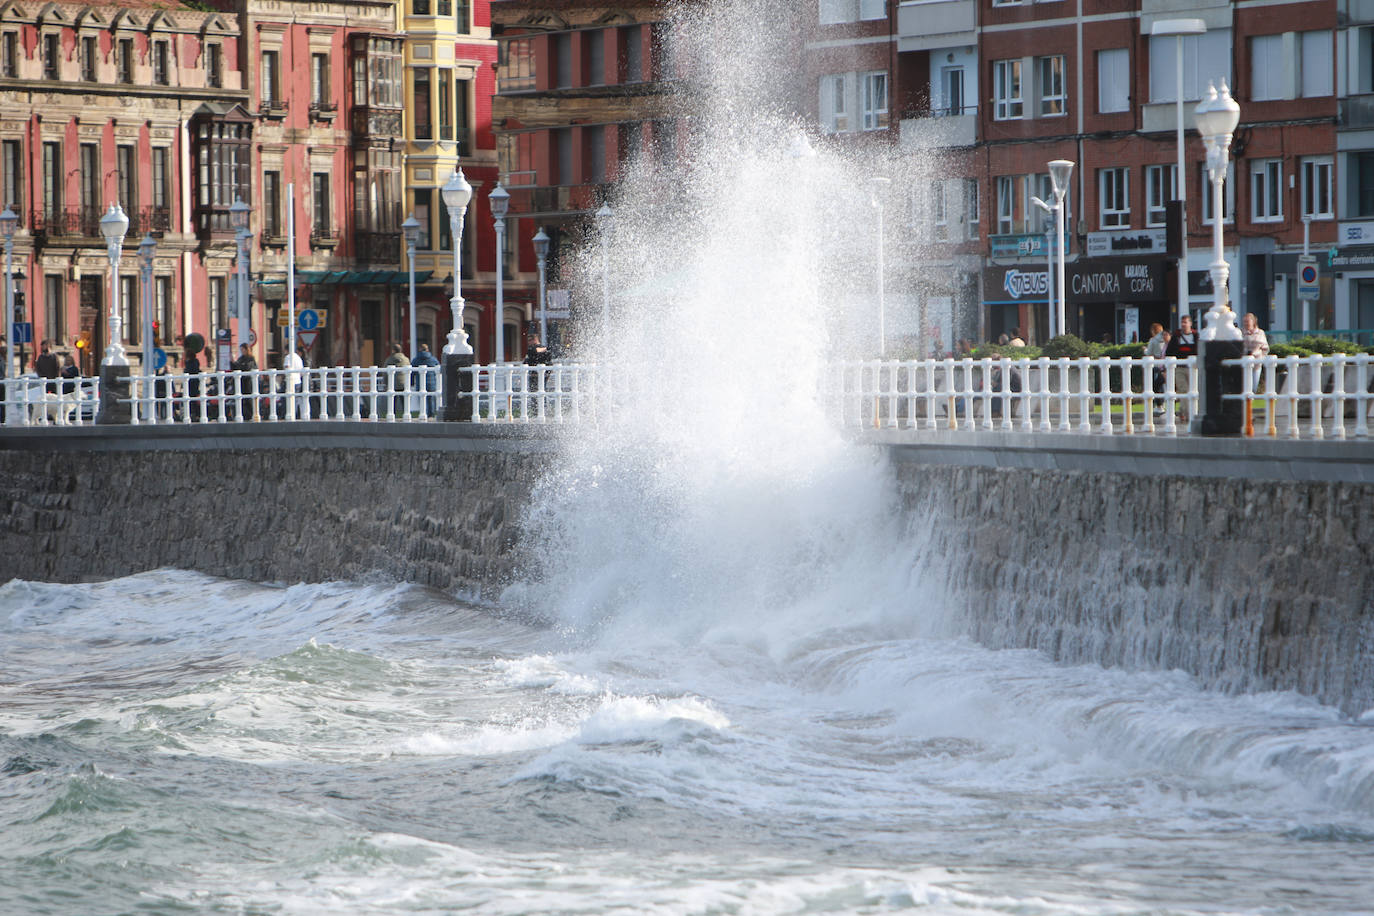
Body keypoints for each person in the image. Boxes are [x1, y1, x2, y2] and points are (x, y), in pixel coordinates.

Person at [1241, 311, 1269, 393]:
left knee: (1254, 385)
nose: (1245, 324)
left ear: (1253, 322)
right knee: (1246, 386)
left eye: (1247, 321)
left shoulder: (1260, 333)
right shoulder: (1241, 333)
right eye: (1244, 322)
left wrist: (1261, 357)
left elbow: (1265, 348)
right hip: (1244, 363)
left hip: (1257, 362)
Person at [411, 342, 439, 418]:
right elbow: (438, 368)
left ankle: (423, 413)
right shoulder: (433, 359)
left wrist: (411, 382)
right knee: (431, 399)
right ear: (427, 350)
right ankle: (431, 414)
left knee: (422, 398)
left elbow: (412, 372)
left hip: (420, 382)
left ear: (420, 349)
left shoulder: (416, 360)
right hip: (431, 382)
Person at [232, 343, 259, 420]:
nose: (242, 351)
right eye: (241, 350)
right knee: (242, 398)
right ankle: (244, 415)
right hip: (242, 381)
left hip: (248, 381)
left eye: (243, 349)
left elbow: (247, 367)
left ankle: (251, 414)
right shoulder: (241, 358)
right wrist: (232, 362)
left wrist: (237, 364)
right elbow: (236, 367)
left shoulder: (251, 358)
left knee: (249, 398)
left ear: (247, 349)